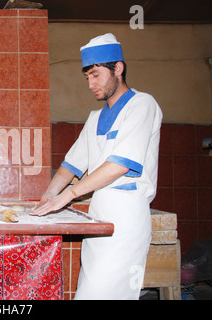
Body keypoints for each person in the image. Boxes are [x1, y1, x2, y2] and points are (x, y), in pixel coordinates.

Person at [30, 33, 163, 299]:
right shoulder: (95, 118)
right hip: (99, 212)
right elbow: (71, 165)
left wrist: (68, 196)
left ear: (118, 68)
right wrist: (49, 195)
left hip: (126, 215)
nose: (91, 84)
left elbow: (119, 165)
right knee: (90, 289)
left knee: (103, 293)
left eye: (96, 74)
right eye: (87, 77)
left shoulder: (142, 105)